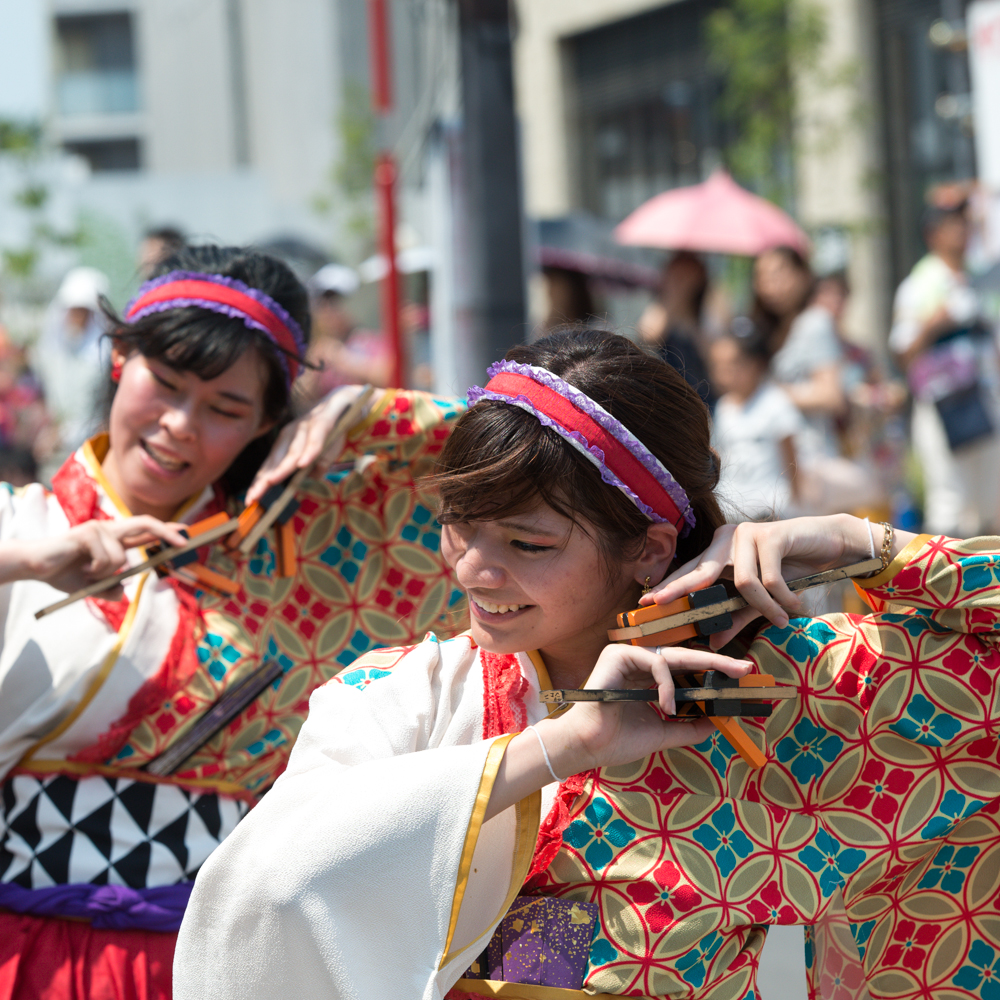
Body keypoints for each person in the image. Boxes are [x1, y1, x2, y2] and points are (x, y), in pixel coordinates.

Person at [175, 328, 1000, 1000]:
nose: (471, 570)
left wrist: (858, 543)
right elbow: (258, 899)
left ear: (647, 549)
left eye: (528, 544)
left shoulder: (780, 695)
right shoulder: (403, 698)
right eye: (461, 524)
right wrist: (568, 744)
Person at [0, 245, 464, 1000]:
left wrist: (371, 414)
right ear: (120, 357)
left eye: (225, 408)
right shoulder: (19, 525)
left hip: (218, 957)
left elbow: (553, 463)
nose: (180, 426)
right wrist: (30, 560)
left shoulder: (313, 557)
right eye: (167, 384)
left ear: (268, 423)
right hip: (23, 950)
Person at [889, 198, 1000, 536]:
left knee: (990, 497)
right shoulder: (918, 285)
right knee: (949, 497)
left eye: (964, 224)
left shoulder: (980, 280)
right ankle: (947, 582)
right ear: (932, 234)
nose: (961, 232)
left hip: (985, 400)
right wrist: (934, 323)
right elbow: (902, 351)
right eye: (952, 225)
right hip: (945, 407)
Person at [709, 318, 802, 519]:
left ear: (757, 364)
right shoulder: (724, 407)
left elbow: (791, 458)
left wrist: (795, 503)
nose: (725, 374)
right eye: (719, 366)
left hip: (770, 508)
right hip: (733, 506)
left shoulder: (775, 402)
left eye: (733, 365)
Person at [33, 267, 110, 462]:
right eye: (73, 310)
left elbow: (101, 414)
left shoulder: (105, 358)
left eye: (82, 311)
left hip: (90, 453)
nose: (76, 317)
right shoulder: (50, 353)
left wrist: (64, 435)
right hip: (52, 453)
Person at [299, 263, 391, 400]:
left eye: (335, 301)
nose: (329, 309)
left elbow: (388, 376)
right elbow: (302, 398)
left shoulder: (371, 340)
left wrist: (340, 358)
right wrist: (313, 374)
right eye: (322, 303)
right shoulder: (314, 348)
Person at [638, 251, 714, 404]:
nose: (683, 281)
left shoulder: (709, 307)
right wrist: (675, 298)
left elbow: (712, 356)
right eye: (678, 275)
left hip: (701, 392)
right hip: (666, 390)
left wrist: (691, 320)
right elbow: (649, 336)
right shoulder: (660, 306)